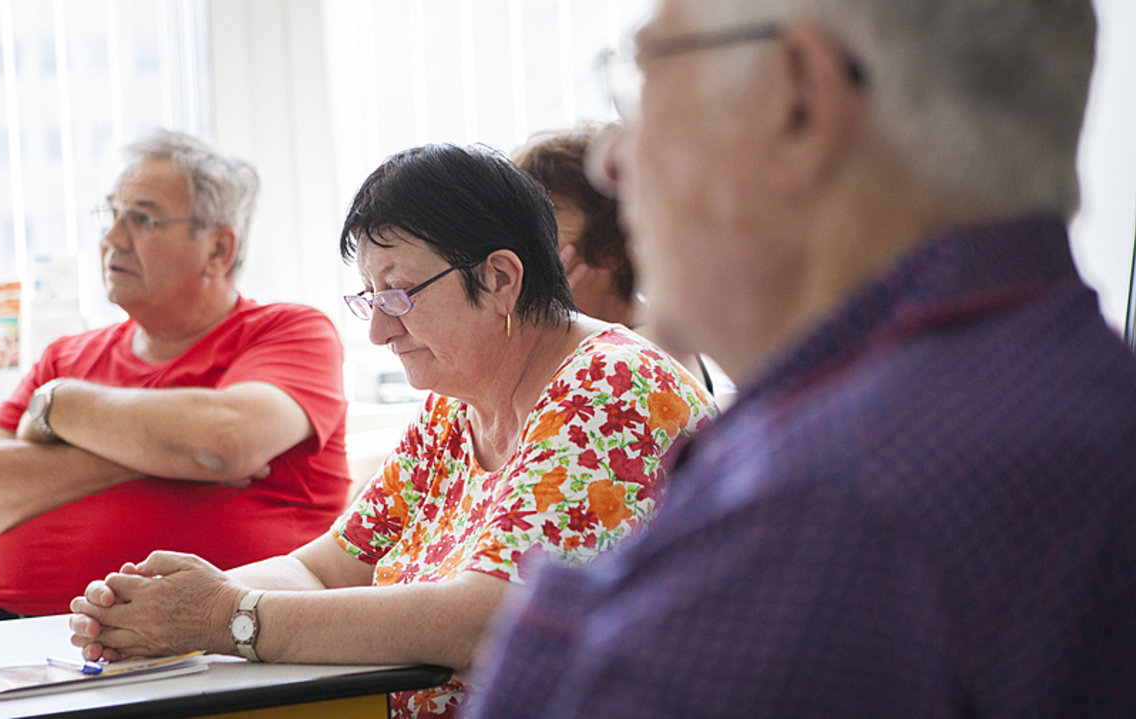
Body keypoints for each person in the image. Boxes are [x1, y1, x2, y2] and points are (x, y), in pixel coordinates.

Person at [467, 1, 1136, 717]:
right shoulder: (1084, 391)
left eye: (646, 75)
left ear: (798, 105)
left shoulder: (823, 509)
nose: (612, 158)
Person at [67, 144, 716, 718]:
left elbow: (485, 618)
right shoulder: (455, 404)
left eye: (398, 294)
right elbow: (324, 568)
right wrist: (168, 605)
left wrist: (226, 616)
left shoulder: (611, 389)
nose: (379, 331)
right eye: (370, 298)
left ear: (499, 279)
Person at [0, 129, 350, 622]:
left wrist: (60, 408)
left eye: (143, 219)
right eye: (111, 216)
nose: (111, 239)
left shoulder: (290, 331)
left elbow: (223, 442)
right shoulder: (66, 357)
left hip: (196, 647)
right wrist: (164, 452)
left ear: (218, 249)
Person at [512, 123, 717, 395]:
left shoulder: (648, 352)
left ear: (611, 246)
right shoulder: (565, 340)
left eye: (544, 218)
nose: (518, 239)